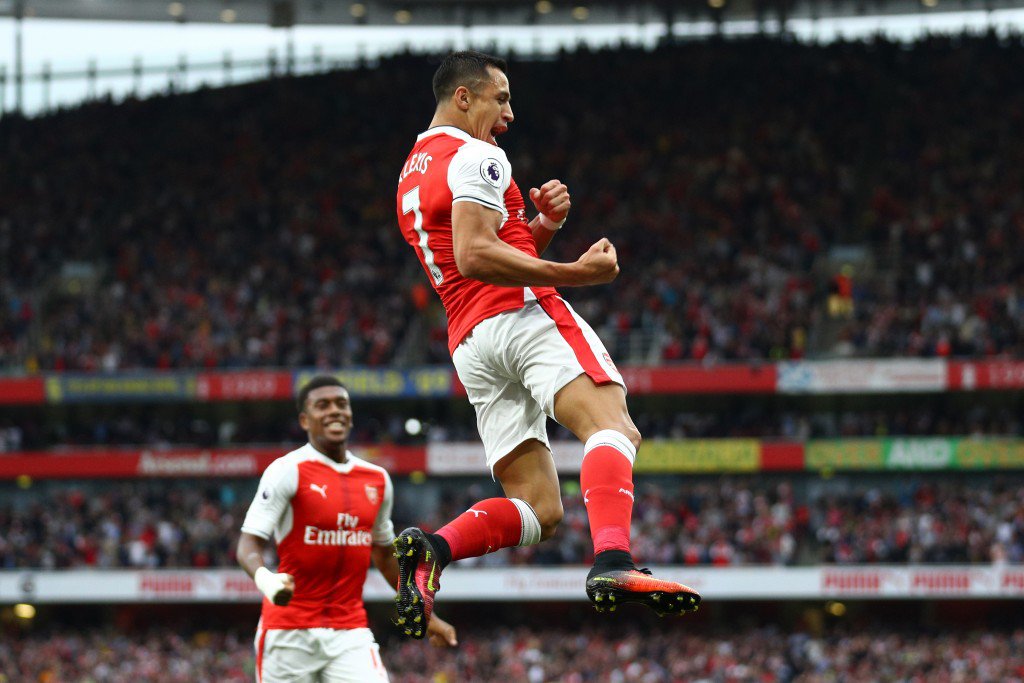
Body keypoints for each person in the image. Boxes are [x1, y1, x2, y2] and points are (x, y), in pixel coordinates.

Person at [393, 51, 701, 637]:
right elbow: (475, 255)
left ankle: (433, 550)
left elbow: (475, 255)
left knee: (539, 506)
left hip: (471, 342)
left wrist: (541, 229)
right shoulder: (477, 154)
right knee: (613, 426)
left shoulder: (412, 167)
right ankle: (614, 561)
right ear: (464, 97)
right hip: (519, 316)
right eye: (500, 97)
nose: (509, 112)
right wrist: (578, 271)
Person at [237, 375, 457, 681]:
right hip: (288, 632)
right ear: (304, 419)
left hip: (350, 631)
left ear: (351, 414)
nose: (334, 411)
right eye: (322, 405)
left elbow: (384, 555)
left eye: (342, 404)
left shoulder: (377, 479)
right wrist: (266, 580)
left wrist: (425, 614)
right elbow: (248, 544)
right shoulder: (287, 470)